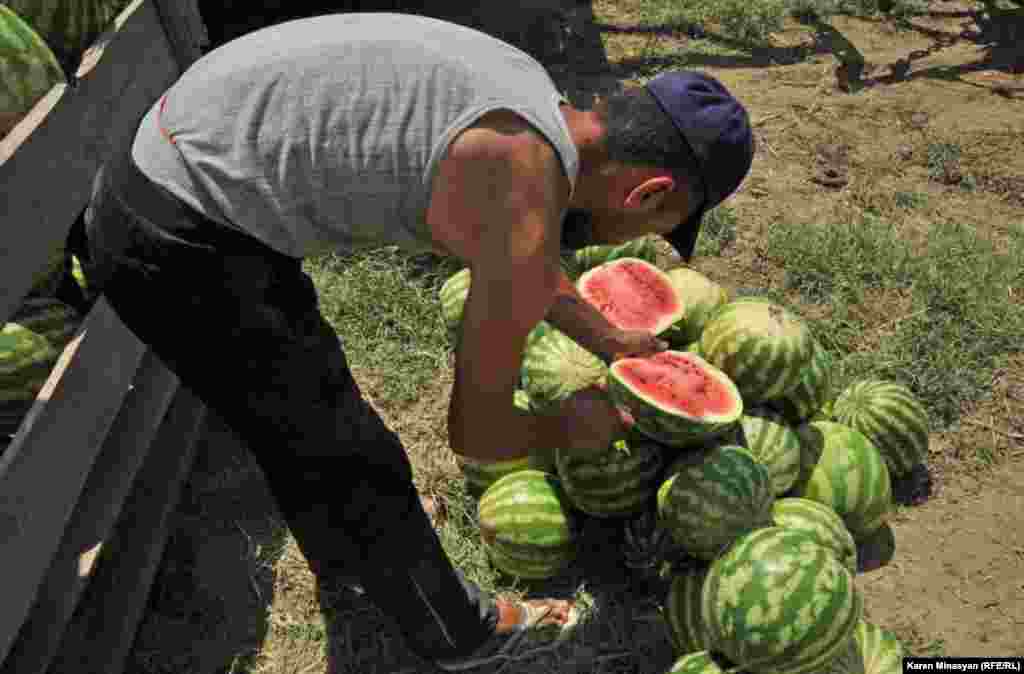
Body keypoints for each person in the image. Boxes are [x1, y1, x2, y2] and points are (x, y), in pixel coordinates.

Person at [80, 12, 754, 671]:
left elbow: (523, 257)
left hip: (173, 157)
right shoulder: (519, 193)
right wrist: (564, 427)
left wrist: (606, 337)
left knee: (297, 413)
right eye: (665, 227)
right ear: (648, 195)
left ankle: (349, 565)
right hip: (176, 241)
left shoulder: (530, 101)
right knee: (357, 458)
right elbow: (477, 434)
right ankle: (458, 633)